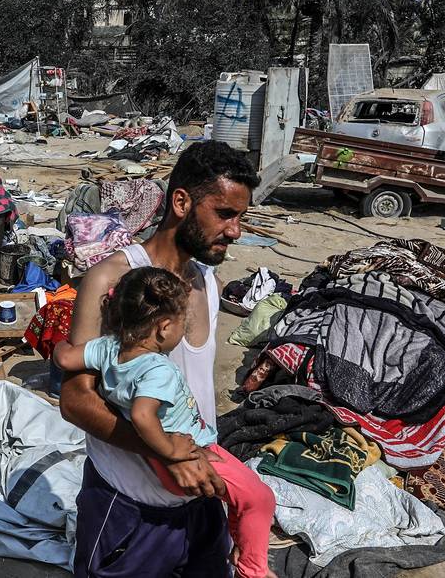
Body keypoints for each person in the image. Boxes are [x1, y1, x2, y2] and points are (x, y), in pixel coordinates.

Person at [59, 140, 260, 578]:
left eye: (241, 217)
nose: (236, 231)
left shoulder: (207, 280)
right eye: (224, 214)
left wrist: (192, 460)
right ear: (182, 202)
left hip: (201, 501)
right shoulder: (112, 280)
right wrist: (170, 456)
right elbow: (75, 401)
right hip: (130, 509)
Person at [54, 266, 275, 578]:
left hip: (166, 463)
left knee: (240, 498)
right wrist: (171, 452)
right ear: (164, 327)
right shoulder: (158, 369)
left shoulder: (108, 348)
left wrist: (59, 344)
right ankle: (253, 570)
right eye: (182, 325)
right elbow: (144, 416)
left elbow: (65, 358)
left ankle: (241, 544)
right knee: (260, 498)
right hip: (189, 453)